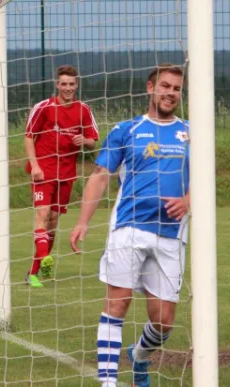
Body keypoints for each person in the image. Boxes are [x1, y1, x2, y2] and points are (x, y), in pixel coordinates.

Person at [70, 63, 189, 387]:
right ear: (150, 88)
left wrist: (189, 200)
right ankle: (108, 383)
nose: (170, 93)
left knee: (163, 322)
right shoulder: (127, 130)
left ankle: (137, 355)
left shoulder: (192, 132)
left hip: (172, 234)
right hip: (129, 228)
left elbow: (205, 175)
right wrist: (83, 222)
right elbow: (99, 176)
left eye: (176, 88)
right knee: (117, 304)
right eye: (165, 86)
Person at [24, 64, 99, 288]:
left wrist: (83, 141)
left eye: (71, 84)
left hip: (66, 174)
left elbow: (92, 140)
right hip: (43, 171)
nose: (67, 88)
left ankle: (35, 271)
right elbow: (28, 137)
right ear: (57, 84)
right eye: (63, 84)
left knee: (54, 222)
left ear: (76, 85)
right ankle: (45, 258)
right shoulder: (44, 107)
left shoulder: (83, 110)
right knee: (43, 214)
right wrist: (35, 166)